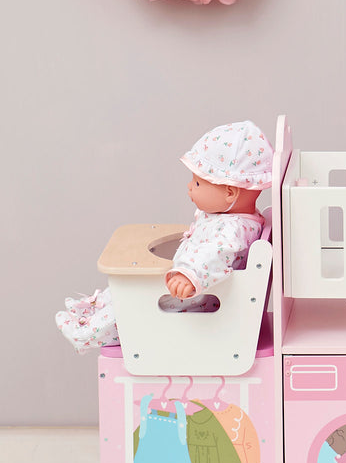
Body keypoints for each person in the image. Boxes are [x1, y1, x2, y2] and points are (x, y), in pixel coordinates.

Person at [56, 120, 274, 352]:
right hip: (199, 295)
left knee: (134, 303)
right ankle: (93, 311)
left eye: (198, 182)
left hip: (198, 300)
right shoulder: (231, 219)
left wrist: (191, 275)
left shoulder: (232, 230)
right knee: (127, 291)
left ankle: (87, 331)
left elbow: (215, 254)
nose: (190, 187)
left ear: (230, 192)